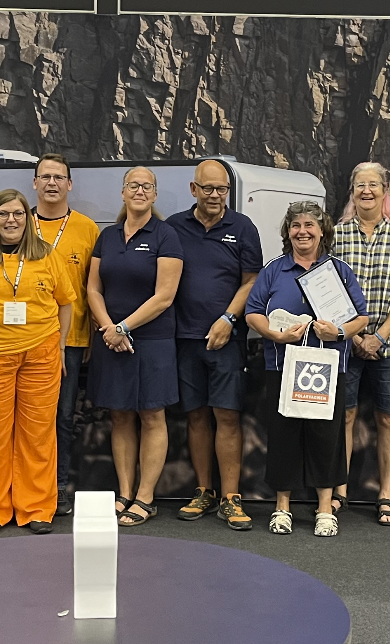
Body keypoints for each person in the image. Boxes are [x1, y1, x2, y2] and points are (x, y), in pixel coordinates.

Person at [0, 189, 76, 535]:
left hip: (41, 354)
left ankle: (37, 507)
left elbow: (66, 302)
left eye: (18, 213)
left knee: (38, 434)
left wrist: (60, 345)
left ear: (27, 218)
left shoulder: (47, 255)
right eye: (3, 214)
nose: (11, 220)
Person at [245, 201, 369, 538]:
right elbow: (253, 312)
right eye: (296, 225)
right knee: (283, 434)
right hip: (282, 365)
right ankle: (282, 507)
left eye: (309, 225)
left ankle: (325, 508)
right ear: (287, 232)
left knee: (325, 436)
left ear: (322, 230)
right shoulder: (273, 270)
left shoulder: (338, 271)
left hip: (327, 366)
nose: (302, 231)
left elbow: (361, 317)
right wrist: (274, 335)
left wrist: (338, 333)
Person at [86, 167, 185, 527]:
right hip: (111, 340)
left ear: (155, 194)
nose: (140, 191)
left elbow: (164, 297)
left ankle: (145, 497)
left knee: (152, 415)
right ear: (123, 192)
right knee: (120, 415)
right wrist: (109, 328)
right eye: (133, 185)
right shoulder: (108, 236)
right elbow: (93, 289)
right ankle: (125, 493)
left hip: (152, 341)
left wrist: (124, 327)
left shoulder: (166, 235)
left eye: (147, 186)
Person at [168, 160, 262, 531]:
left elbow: (251, 280)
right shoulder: (174, 227)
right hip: (184, 337)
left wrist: (228, 319)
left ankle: (231, 497)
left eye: (221, 189)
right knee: (195, 415)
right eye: (207, 188)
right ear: (194, 189)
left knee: (227, 416)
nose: (214, 195)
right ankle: (204, 491)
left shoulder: (242, 227)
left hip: (227, 339)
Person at [332, 162, 390, 527]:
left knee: (388, 418)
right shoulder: (336, 235)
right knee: (344, 416)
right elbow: (327, 289)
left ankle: (385, 494)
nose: (366, 191)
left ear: (385, 191)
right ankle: (339, 491)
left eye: (373, 184)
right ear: (352, 191)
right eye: (359, 185)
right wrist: (354, 335)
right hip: (344, 342)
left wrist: (378, 337)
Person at [30, 153, 100, 516]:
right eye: (45, 177)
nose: (52, 183)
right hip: (25, 339)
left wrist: (89, 335)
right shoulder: (18, 223)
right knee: (29, 417)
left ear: (70, 184)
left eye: (59, 177)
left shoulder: (87, 229)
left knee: (62, 416)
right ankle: (29, 487)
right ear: (35, 183)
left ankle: (57, 488)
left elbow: (94, 287)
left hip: (70, 340)